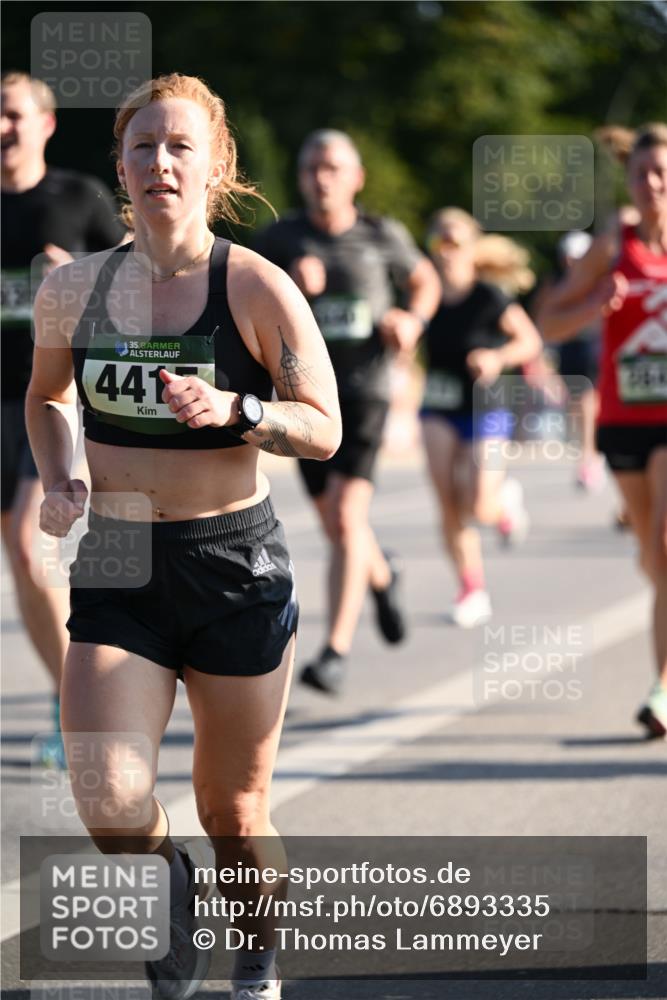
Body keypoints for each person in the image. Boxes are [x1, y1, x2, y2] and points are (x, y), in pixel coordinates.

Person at [27, 73, 341, 1000]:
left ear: (215, 167)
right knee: (109, 799)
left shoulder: (253, 284)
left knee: (234, 812)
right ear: (118, 168)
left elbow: (322, 427)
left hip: (231, 559)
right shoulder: (73, 289)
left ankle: (256, 951)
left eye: (179, 147)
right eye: (141, 146)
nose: (159, 163)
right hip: (119, 556)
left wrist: (240, 408)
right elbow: (47, 398)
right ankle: (170, 878)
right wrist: (61, 474)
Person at [254, 129, 440, 694]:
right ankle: (382, 575)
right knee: (338, 523)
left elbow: (424, 280)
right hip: (304, 397)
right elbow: (241, 295)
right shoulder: (281, 238)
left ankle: (333, 651)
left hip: (366, 390)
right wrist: (290, 285)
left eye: (333, 167)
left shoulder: (381, 234)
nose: (321, 177)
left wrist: (412, 320)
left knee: (344, 514)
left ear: (356, 178)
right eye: (312, 167)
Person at [1, 71, 125, 765]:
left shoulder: (78, 197)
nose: (2, 128)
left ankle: (74, 703)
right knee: (19, 566)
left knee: (27, 542)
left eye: (13, 115)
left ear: (45, 124)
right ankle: (62, 693)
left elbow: (138, 284)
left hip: (47, 396)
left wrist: (76, 271)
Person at [538, 123, 667, 738]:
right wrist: (595, 306)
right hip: (623, 420)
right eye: (642, 172)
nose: (651, 184)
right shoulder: (613, 242)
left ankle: (662, 690)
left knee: (665, 548)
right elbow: (550, 320)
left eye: (662, 172)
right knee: (653, 557)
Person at [420, 209, 542, 627]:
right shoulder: (425, 295)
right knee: (446, 501)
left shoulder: (489, 297)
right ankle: (472, 588)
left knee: (478, 504)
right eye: (440, 242)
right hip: (439, 404)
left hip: (485, 407)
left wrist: (496, 357)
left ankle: (505, 506)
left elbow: (529, 340)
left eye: (456, 242)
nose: (447, 251)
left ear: (471, 249)